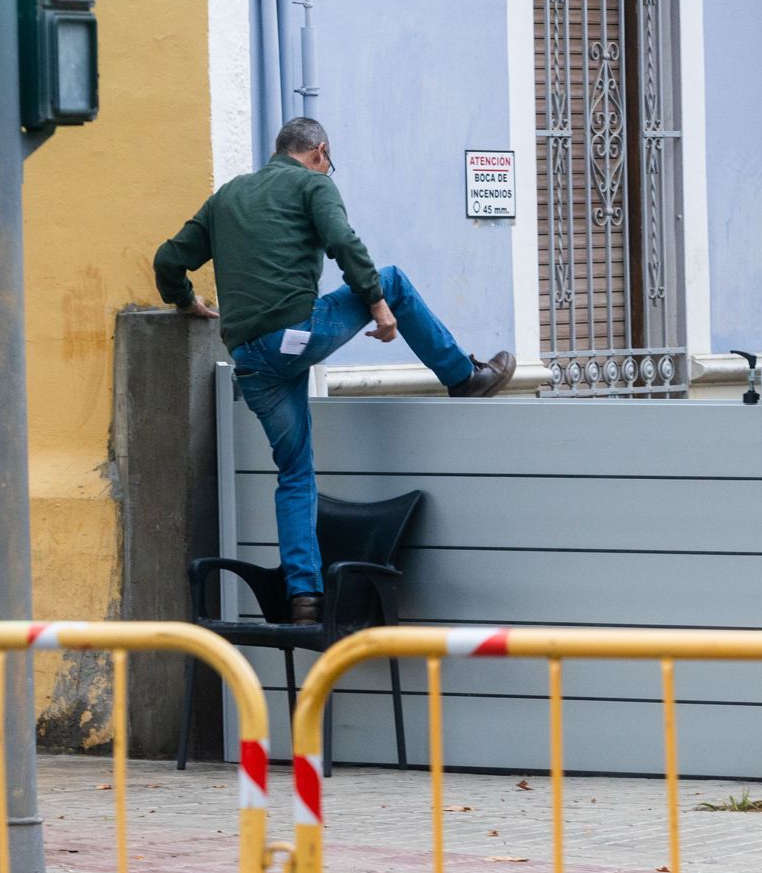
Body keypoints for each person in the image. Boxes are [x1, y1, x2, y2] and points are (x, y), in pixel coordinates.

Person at [154, 117, 514, 626]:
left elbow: (168, 260)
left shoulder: (227, 197)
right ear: (319, 151)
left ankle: (304, 598)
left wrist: (187, 300)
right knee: (393, 281)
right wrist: (378, 304)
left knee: (295, 474)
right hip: (295, 335)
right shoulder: (314, 184)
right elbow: (345, 244)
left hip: (250, 357)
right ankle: (463, 377)